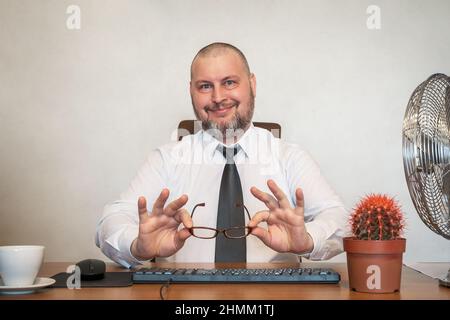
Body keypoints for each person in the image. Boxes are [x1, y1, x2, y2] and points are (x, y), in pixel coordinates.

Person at [95, 42, 348, 268]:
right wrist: (138, 246)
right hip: (186, 298)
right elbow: (110, 221)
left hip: (272, 296)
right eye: (205, 86)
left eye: (229, 82)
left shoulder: (289, 157)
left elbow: (341, 220)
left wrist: (307, 240)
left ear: (252, 84)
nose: (218, 98)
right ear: (191, 91)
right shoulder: (166, 159)